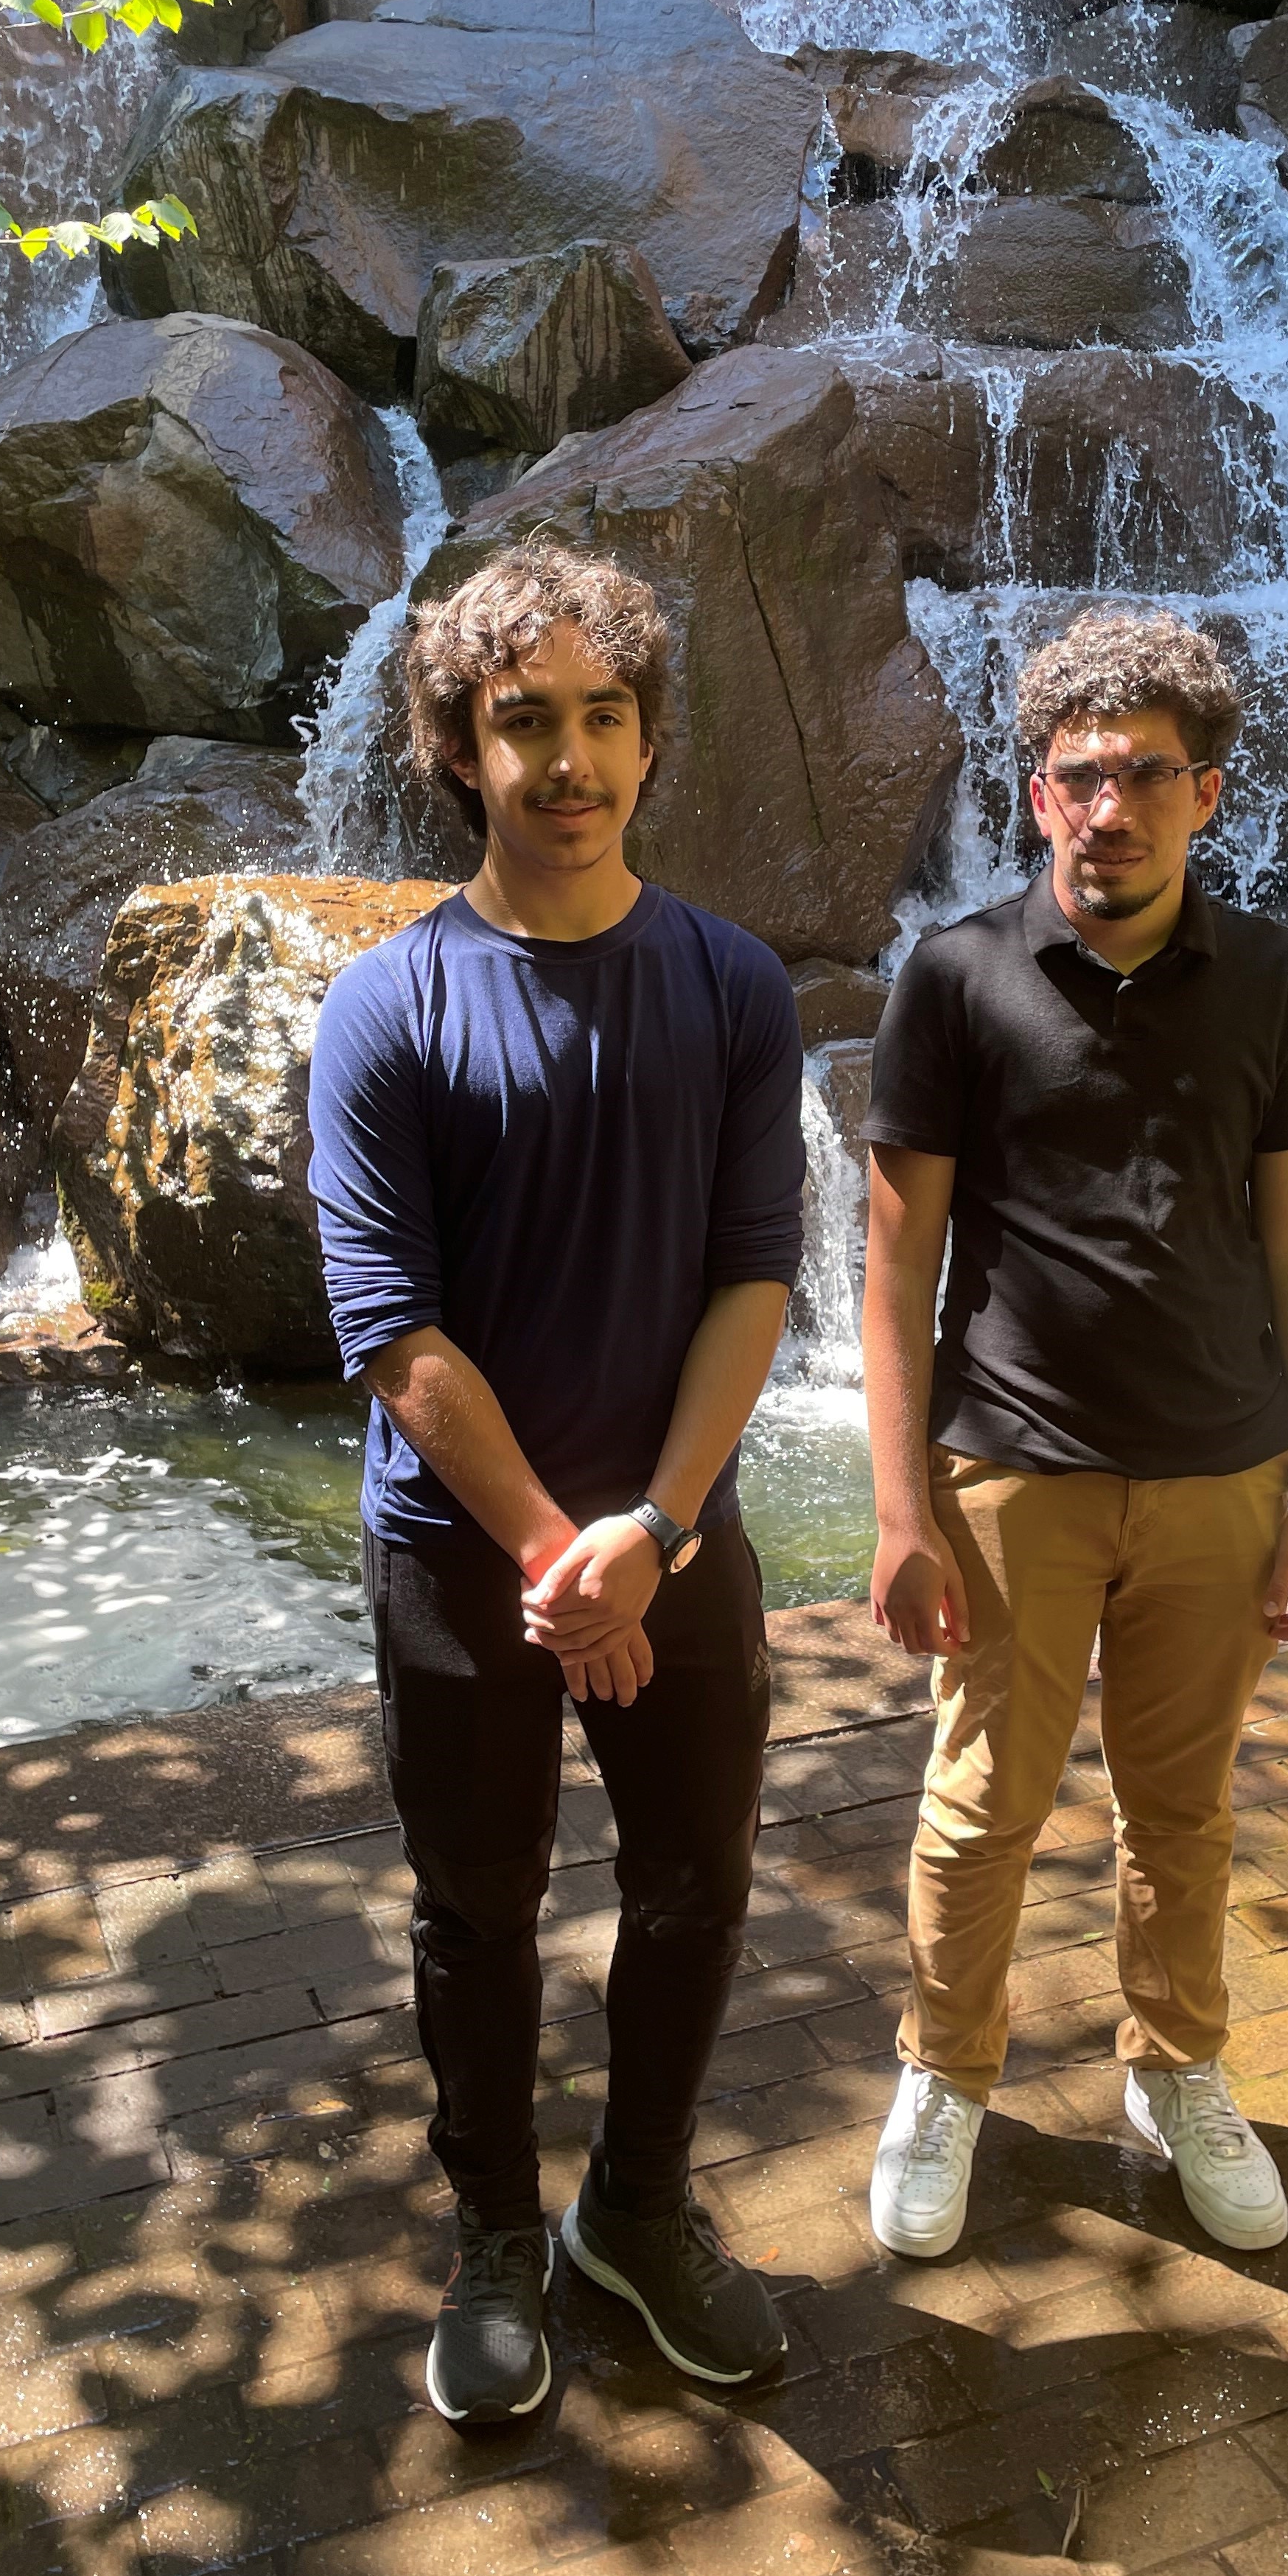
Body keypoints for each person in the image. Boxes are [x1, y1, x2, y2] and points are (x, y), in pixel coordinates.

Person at [307, 539, 805, 2423]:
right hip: (465, 1558)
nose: (570, 761)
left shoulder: (734, 988)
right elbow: (393, 1329)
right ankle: (496, 2234)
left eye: (605, 717)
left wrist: (654, 1533)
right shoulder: (387, 1008)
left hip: (679, 1533)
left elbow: (755, 1277)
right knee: (476, 1906)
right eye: (527, 722)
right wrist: (557, 1558)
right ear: (462, 747)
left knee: (696, 1886)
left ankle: (638, 2211)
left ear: (651, 741)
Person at [861, 603, 1288, 2262]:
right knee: (979, 1807)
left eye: (1148, 773)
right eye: (1081, 774)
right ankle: (945, 2076)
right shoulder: (956, 979)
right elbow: (895, 1267)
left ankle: (1177, 2067)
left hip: (1225, 1472)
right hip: (1013, 1471)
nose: (1111, 806)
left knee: (1184, 1810)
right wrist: (901, 1509)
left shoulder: (1271, 978)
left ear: (1206, 794)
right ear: (1037, 793)